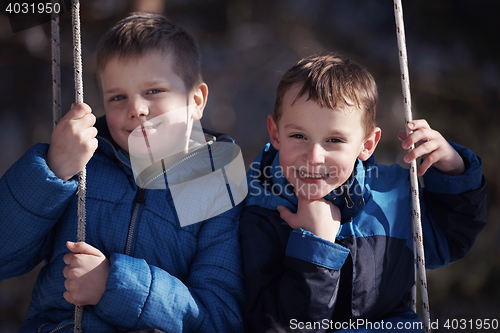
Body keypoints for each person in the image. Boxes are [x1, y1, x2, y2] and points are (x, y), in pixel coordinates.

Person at [0, 12, 245, 333]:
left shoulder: (215, 185)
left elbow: (219, 319)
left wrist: (115, 284)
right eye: (118, 97)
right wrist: (53, 171)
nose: (136, 109)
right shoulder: (82, 163)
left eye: (154, 91)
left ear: (196, 100)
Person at [239, 53, 487, 332]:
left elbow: (452, 237)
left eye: (334, 140)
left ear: (367, 144)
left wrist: (453, 168)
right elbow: (274, 326)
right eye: (299, 136)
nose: (314, 156)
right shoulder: (262, 214)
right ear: (275, 134)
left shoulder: (394, 195)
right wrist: (314, 246)